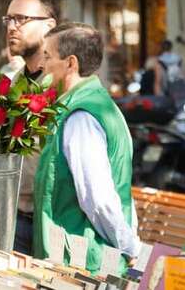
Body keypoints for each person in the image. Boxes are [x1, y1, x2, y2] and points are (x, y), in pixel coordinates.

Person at [35, 22, 141, 274]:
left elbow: (98, 197)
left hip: (83, 262)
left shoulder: (81, 116)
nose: (42, 64)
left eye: (48, 56)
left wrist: (131, 247)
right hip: (83, 256)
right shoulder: (93, 104)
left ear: (71, 63)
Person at [3, 0, 60, 255]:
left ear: (49, 25)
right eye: (9, 19)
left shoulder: (65, 86)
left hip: (53, 222)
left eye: (22, 19)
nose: (12, 26)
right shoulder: (11, 84)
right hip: (13, 219)